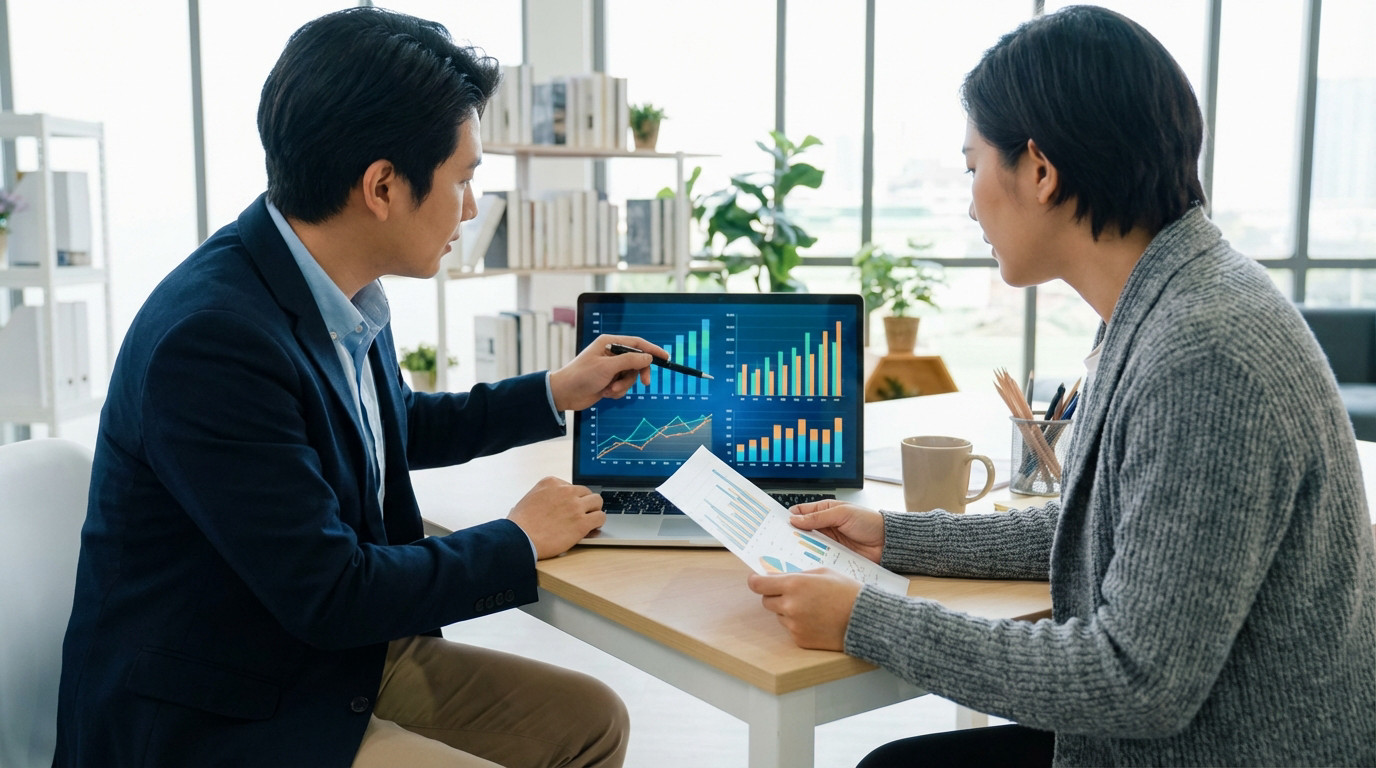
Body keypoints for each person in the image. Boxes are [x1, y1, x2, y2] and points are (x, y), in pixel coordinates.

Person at [747, 6, 1376, 766]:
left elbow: (1134, 680)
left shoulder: (1202, 353)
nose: (969, 196)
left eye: (974, 165)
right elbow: (1104, 526)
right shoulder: (1169, 297)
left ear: (1040, 171)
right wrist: (899, 537)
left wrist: (865, 619)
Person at [54, 8, 659, 767]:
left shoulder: (333, 284)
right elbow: (331, 592)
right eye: (463, 180)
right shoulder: (211, 342)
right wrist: (517, 539)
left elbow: (389, 424)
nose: (471, 209)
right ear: (381, 186)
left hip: (316, 658)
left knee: (590, 719)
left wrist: (556, 391)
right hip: (218, 711)